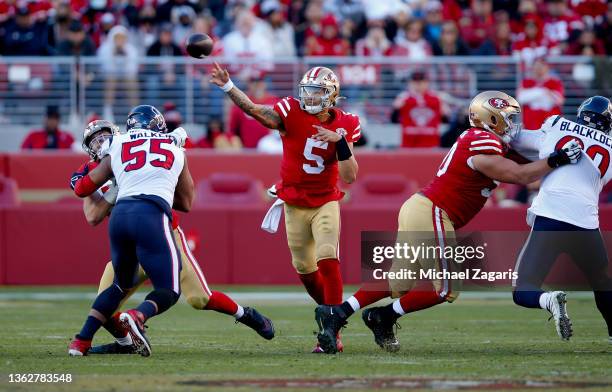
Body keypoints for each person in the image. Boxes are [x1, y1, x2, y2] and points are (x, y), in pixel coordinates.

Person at [314, 91, 582, 354]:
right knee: (447, 288)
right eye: (507, 118)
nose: (513, 124)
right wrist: (557, 158)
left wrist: (560, 151)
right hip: (433, 211)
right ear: (490, 119)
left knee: (399, 282)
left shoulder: (487, 140)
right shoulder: (481, 140)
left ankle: (337, 312)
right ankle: (382, 316)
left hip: (420, 207)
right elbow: (522, 175)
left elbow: (531, 165)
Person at [70, 119, 274, 355]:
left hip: (164, 233)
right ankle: (126, 344)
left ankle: (245, 314)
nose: (100, 142)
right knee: (104, 305)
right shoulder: (90, 171)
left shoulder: (130, 150)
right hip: (131, 237)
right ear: (87, 148)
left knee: (200, 298)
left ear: (117, 135)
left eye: (104, 136)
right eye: (94, 140)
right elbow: (93, 216)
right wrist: (117, 190)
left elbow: (184, 201)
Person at [210, 63, 360, 352]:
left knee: (328, 257)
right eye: (308, 91)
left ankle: (332, 332)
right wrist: (229, 87)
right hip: (293, 200)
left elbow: (350, 176)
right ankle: (332, 314)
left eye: (317, 93)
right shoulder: (290, 111)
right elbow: (256, 110)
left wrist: (340, 141)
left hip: (326, 199)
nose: (310, 98)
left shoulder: (347, 123)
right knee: (305, 269)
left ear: (331, 96)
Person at [67, 105, 194, 356]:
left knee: (118, 286)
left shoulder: (118, 143)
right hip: (152, 215)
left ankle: (81, 342)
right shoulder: (175, 148)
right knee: (169, 290)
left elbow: (82, 189)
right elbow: (187, 203)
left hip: (121, 216)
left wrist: (118, 183)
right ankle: (138, 316)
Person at [510, 96, 612, 343]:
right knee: (602, 283)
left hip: (551, 215)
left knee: (523, 289)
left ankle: (549, 299)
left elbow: (516, 139)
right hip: (586, 223)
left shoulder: (557, 125)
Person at [391, 71, 445, 148]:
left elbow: (445, 118)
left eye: (421, 81)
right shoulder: (403, 98)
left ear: (426, 83)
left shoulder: (436, 98)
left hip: (431, 144)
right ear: (410, 83)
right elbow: (393, 120)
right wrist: (396, 109)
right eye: (415, 81)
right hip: (409, 144)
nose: (418, 84)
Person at [227, 73, 278, 148]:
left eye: (260, 81)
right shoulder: (241, 102)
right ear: (249, 85)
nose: (257, 85)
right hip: (248, 152)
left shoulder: (275, 102)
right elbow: (232, 130)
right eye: (254, 82)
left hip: (270, 150)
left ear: (265, 84)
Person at [517, 58, 564, 130]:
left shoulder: (554, 82)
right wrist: (542, 92)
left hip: (549, 122)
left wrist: (531, 96)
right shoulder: (526, 82)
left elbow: (559, 100)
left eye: (541, 66)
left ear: (547, 67)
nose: (538, 69)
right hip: (530, 122)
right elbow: (521, 98)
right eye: (536, 67)